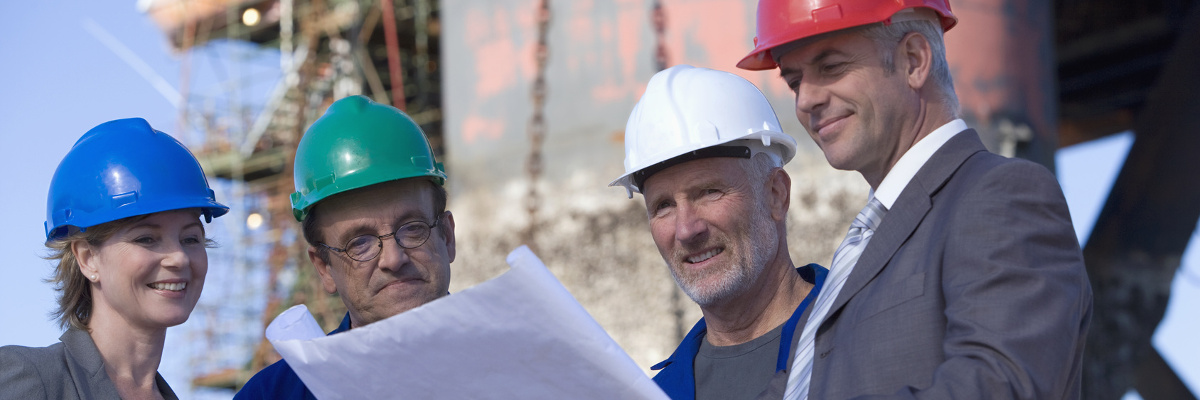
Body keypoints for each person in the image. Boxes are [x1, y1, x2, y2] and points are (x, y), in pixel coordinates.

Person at [737, 0, 1094, 398]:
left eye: (831, 67)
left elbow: (1001, 386)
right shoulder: (863, 248)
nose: (805, 100)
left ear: (913, 60)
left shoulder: (1002, 196)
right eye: (795, 81)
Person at [610, 65, 826, 400]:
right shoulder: (660, 393)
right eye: (663, 206)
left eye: (709, 192)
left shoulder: (865, 334)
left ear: (775, 195)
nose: (686, 229)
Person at [236, 95, 455, 399]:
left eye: (412, 228)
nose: (393, 258)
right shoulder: (274, 396)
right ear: (324, 267)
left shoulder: (527, 355)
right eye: (360, 243)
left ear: (447, 236)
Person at [0, 118, 229, 400]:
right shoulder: (34, 380)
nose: (179, 258)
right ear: (87, 259)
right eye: (146, 238)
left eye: (191, 239)